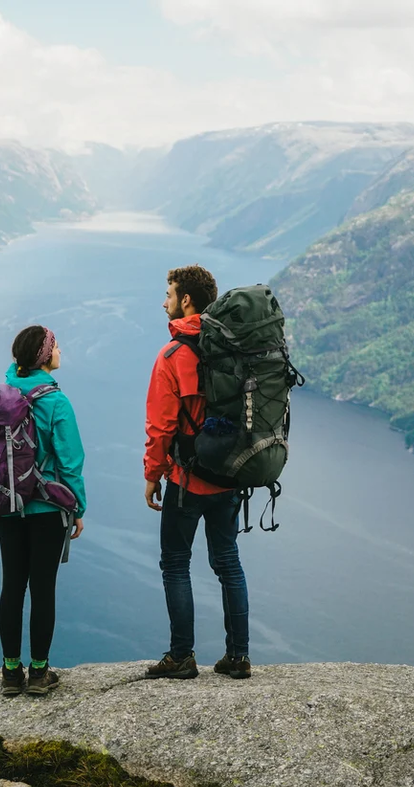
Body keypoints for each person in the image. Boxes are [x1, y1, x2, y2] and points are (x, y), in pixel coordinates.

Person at [143, 265, 251, 680]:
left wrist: (153, 474)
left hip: (187, 481)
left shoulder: (173, 355)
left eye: (168, 294)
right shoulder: (232, 350)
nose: (164, 302)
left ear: (186, 300)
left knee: (175, 563)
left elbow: (161, 427)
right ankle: (238, 657)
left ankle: (182, 656)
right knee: (228, 562)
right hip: (229, 477)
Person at [0, 325, 86, 695]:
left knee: (12, 585)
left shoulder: (4, 391)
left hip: (7, 502)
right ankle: (38, 672)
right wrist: (77, 506)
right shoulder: (55, 402)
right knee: (42, 588)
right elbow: (70, 460)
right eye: (56, 346)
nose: (60, 350)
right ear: (45, 356)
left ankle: (10, 671)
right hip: (46, 507)